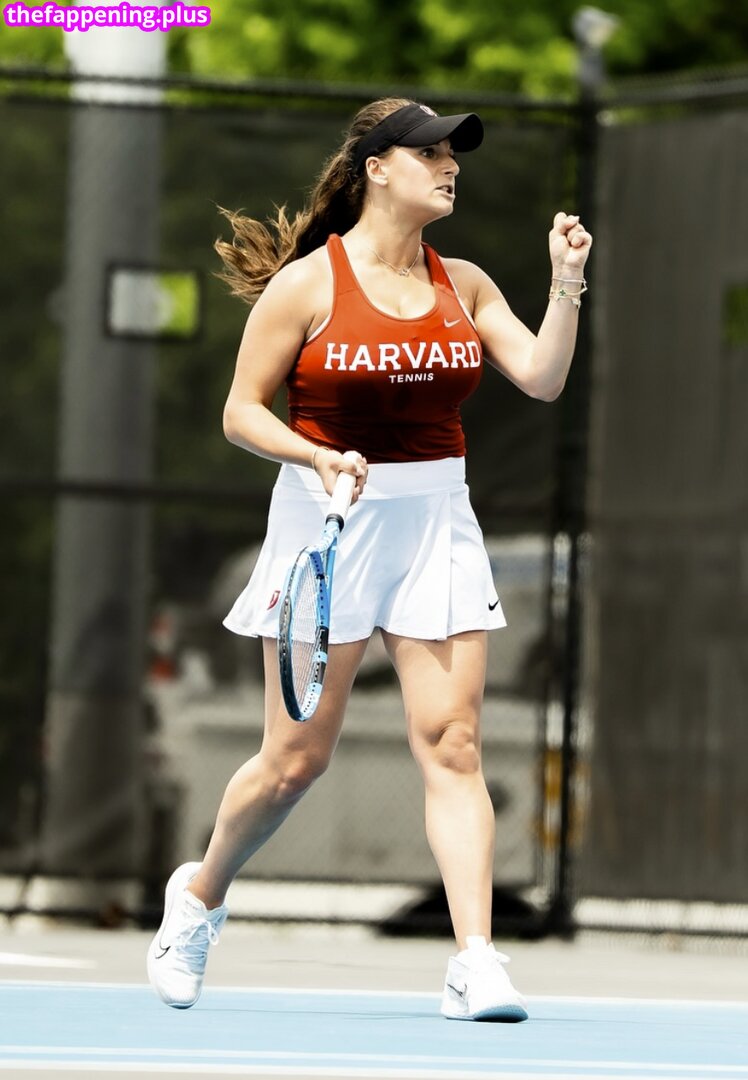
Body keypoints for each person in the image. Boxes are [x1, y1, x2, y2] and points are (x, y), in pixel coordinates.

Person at [147, 97, 592, 1021]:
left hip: (436, 519)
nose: (449, 164)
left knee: (454, 742)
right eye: (429, 152)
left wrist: (565, 282)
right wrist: (314, 456)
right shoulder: (307, 285)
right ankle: (199, 896)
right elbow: (240, 412)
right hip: (328, 520)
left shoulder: (464, 282)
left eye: (455, 153)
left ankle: (476, 961)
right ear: (376, 169)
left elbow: (543, 378)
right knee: (294, 762)